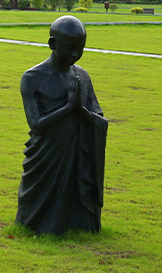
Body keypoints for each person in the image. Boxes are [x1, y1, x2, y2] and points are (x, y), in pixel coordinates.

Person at [16, 15, 108, 235]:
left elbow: (99, 120)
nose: (75, 55)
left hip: (76, 155)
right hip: (46, 156)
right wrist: (68, 108)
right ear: (52, 44)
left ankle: (78, 223)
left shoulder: (81, 77)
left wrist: (80, 111)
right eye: (69, 48)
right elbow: (37, 125)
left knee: (74, 191)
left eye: (80, 49)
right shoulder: (32, 77)